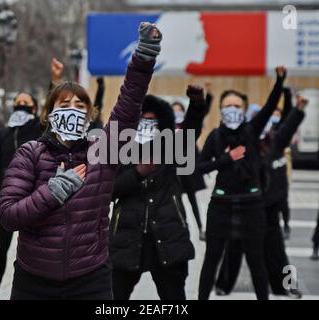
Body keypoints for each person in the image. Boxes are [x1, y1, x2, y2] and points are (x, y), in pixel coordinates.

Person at [0, 22, 162, 300]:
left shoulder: (103, 151)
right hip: (33, 279)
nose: (72, 111)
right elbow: (8, 216)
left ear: (90, 115)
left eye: (79, 106)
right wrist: (50, 193)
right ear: (48, 115)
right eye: (63, 105)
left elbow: (129, 104)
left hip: (90, 279)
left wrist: (144, 58)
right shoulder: (30, 153)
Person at [109, 85, 208, 300]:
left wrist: (197, 104)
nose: (147, 127)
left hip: (168, 237)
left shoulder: (171, 148)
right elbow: (109, 190)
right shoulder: (120, 150)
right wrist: (137, 173)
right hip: (127, 238)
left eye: (152, 123)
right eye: (141, 122)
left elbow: (192, 129)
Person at [197, 67, 287, 300]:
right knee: (211, 260)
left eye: (237, 106)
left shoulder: (251, 131)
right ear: (220, 109)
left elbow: (269, 107)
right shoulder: (215, 136)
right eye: (228, 106)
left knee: (256, 261)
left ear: (245, 110)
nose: (233, 110)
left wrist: (279, 81)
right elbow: (198, 167)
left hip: (251, 205)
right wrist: (226, 159)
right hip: (220, 205)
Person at [0, 58, 64, 300]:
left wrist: (55, 80)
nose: (21, 106)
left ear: (35, 108)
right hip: (10, 197)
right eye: (17, 103)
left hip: (35, 197)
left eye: (26, 103)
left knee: (33, 248)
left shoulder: (38, 128)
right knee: (0, 250)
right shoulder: (5, 133)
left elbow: (52, 108)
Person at [215, 90, 308, 299]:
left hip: (270, 205)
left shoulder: (273, 141)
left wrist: (298, 109)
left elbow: (287, 127)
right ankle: (222, 284)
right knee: (234, 247)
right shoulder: (245, 141)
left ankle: (285, 285)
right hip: (245, 204)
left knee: (277, 250)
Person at [172, 82, 213, 241]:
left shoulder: (188, 125)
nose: (176, 113)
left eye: (179, 110)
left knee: (192, 198)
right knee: (176, 200)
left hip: (187, 166)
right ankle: (182, 227)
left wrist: (207, 97)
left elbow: (199, 114)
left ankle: (201, 227)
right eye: (173, 111)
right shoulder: (165, 127)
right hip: (173, 168)